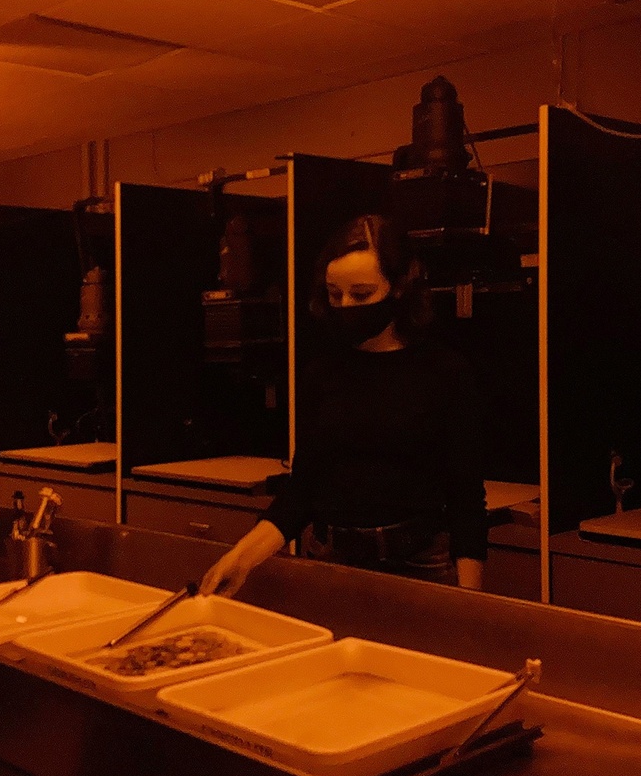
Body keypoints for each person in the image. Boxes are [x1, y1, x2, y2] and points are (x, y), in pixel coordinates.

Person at [200, 214, 488, 596]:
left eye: (362, 294)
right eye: (336, 294)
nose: (346, 305)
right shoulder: (323, 372)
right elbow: (303, 488)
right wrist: (240, 558)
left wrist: (471, 602)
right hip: (333, 556)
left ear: (399, 287)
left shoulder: (444, 371)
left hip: (420, 564)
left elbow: (466, 497)